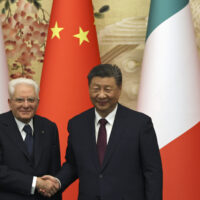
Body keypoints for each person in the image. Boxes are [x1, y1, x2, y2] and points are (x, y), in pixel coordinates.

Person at [41, 64, 163, 200]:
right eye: (96, 89)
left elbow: (152, 172)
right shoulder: (77, 124)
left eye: (108, 89)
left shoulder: (140, 124)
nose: (101, 95)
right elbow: (73, 164)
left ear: (119, 89)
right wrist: (57, 182)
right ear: (89, 89)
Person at [0, 78, 62, 200]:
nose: (26, 105)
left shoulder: (49, 128)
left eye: (31, 100)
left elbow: (54, 172)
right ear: (10, 102)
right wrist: (34, 182)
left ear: (38, 102)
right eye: (19, 100)